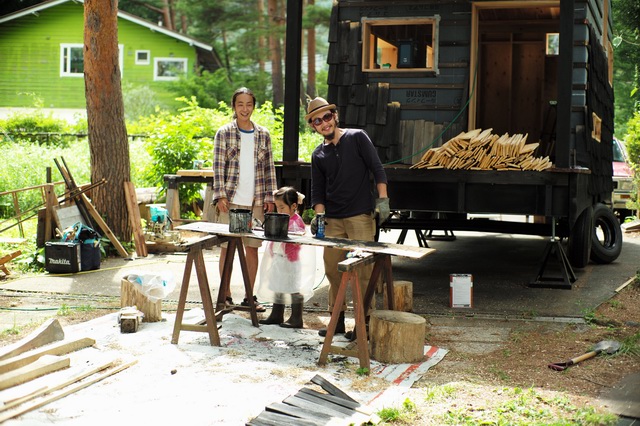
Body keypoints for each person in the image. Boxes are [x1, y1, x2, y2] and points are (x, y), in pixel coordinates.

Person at [306, 97, 391, 339]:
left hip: (360, 217)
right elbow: (318, 190)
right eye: (317, 120)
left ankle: (364, 323)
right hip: (333, 219)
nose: (324, 123)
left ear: (335, 115)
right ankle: (338, 320)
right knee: (333, 270)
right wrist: (319, 216)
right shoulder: (318, 154)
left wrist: (383, 201)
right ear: (313, 126)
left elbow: (377, 169)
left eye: (327, 117)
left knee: (363, 272)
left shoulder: (357, 137)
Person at [212, 87, 277, 312]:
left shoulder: (263, 135)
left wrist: (270, 197)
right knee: (227, 248)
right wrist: (219, 194)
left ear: (253, 107)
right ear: (234, 107)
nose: (244, 109)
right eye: (240, 104)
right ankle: (225, 295)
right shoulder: (224, 133)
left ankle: (250, 297)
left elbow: (269, 168)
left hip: (256, 201)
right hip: (230, 200)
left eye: (249, 104)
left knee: (252, 248)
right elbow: (218, 166)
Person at [256, 187, 315, 328]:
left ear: (294, 206)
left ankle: (296, 318)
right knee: (278, 285)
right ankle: (277, 314)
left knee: (293, 286)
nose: (279, 211)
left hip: (290, 261)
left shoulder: (296, 221)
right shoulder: (282, 219)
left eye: (282, 207)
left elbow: (297, 240)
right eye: (277, 208)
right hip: (279, 258)